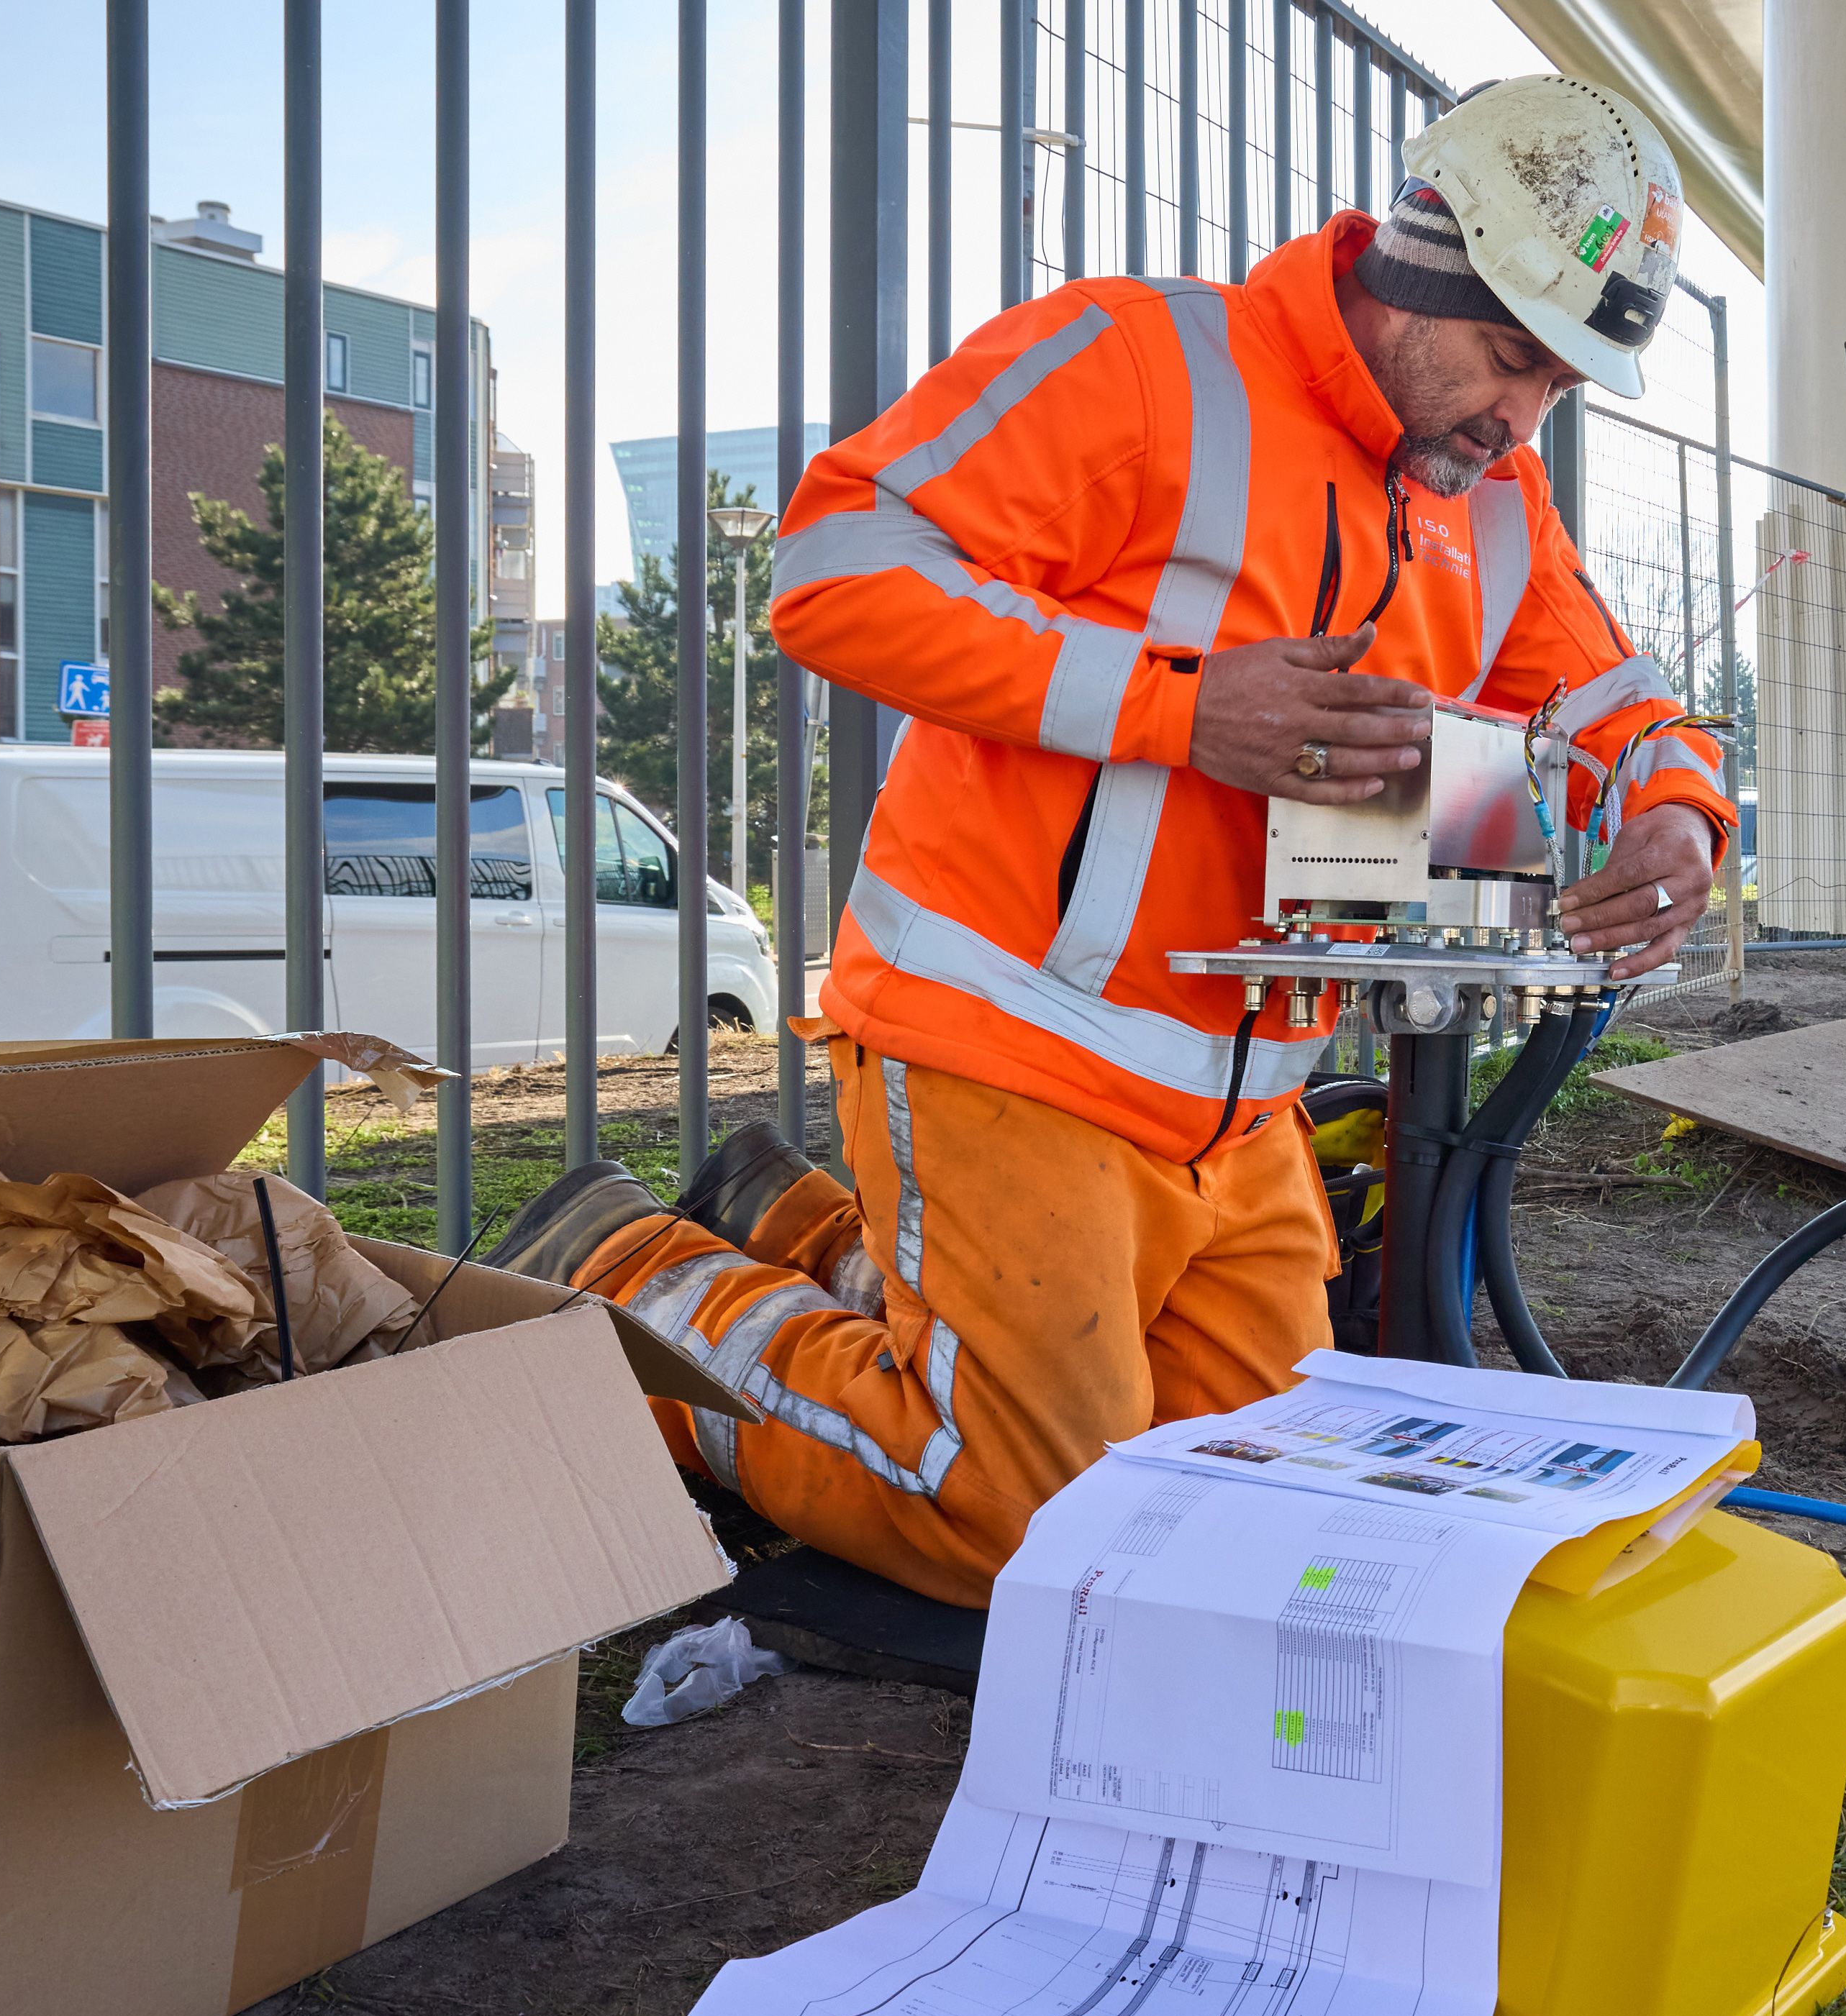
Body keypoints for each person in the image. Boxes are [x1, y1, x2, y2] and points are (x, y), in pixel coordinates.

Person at [499, 73, 1731, 1609]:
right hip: (1012, 1040)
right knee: (1033, 1520)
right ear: (1420, 266)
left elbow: (1621, 699)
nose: (1520, 417)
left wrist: (1681, 813)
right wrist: (1180, 708)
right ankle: (625, 1276)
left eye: (1557, 386)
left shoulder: (1487, 500)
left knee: (1247, 1527)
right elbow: (835, 560)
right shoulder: (1144, 363)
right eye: (1506, 359)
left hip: (1239, 1112)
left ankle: (800, 1230)